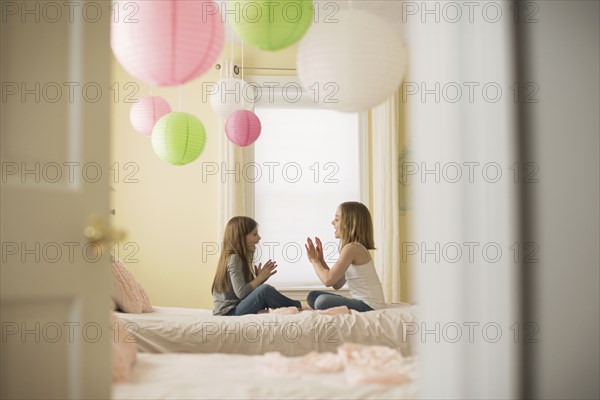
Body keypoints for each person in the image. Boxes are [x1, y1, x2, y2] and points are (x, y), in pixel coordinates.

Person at [304, 201, 387, 312]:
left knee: (321, 302)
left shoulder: (352, 248)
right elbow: (336, 284)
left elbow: (327, 280)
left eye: (337, 219)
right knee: (313, 296)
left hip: (369, 306)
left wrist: (314, 260)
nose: (332, 222)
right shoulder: (353, 248)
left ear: (349, 224)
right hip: (363, 303)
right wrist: (321, 260)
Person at [212, 216, 301, 316]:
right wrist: (259, 278)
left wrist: (259, 280)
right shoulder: (234, 258)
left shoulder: (233, 257)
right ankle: (299, 307)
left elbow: (243, 293)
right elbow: (241, 293)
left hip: (234, 309)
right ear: (241, 237)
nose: (259, 238)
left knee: (264, 290)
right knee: (265, 290)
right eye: (254, 234)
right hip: (229, 312)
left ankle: (297, 306)